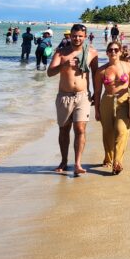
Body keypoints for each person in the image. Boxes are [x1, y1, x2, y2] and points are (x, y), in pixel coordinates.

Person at [46, 23, 99, 177]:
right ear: (70, 36)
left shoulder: (92, 53)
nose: (77, 38)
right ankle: (64, 161)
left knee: (80, 129)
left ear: (85, 37)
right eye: (74, 36)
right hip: (64, 96)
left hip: (83, 96)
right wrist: (63, 65)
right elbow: (49, 72)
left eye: (80, 36)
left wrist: (96, 94)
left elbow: (95, 74)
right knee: (64, 130)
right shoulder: (61, 53)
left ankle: (77, 163)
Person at [93, 42, 130, 175]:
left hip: (123, 101)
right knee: (107, 132)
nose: (113, 52)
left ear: (120, 52)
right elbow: (97, 91)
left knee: (121, 130)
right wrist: (96, 109)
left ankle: (117, 162)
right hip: (106, 101)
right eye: (110, 50)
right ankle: (109, 158)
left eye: (116, 50)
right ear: (106, 52)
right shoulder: (101, 70)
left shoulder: (128, 66)